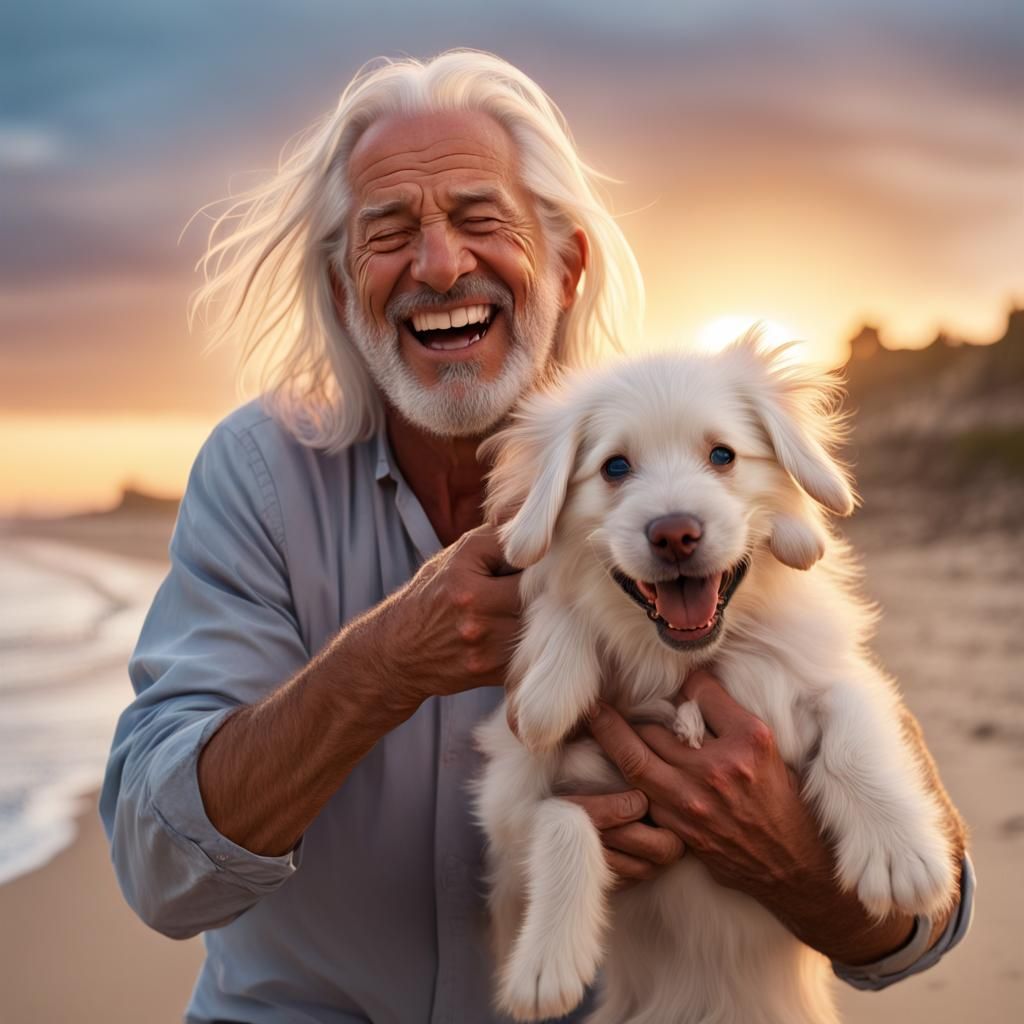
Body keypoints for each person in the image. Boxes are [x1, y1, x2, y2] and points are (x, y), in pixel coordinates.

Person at [100, 50, 972, 1024]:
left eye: (480, 219)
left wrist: (776, 850)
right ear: (344, 290)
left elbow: (922, 929)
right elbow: (162, 870)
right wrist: (382, 664)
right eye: (388, 234)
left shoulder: (694, 456)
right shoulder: (257, 474)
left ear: (566, 261)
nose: (439, 267)